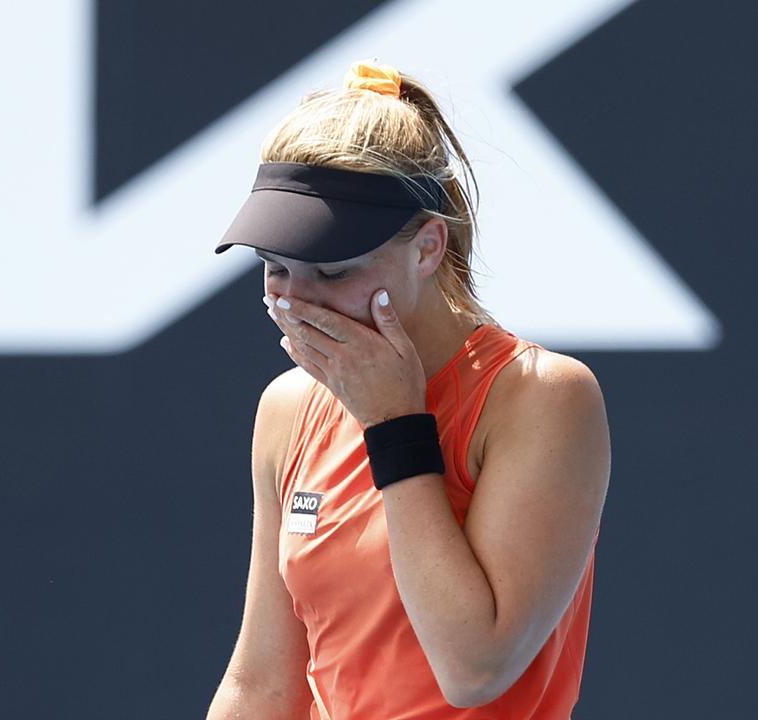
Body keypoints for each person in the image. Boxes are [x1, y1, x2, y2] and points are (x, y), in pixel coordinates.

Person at [206, 59, 611, 720]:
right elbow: (262, 685)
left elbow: (473, 667)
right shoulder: (287, 409)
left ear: (427, 248)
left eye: (332, 270)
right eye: (275, 269)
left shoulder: (543, 398)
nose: (295, 300)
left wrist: (393, 421)